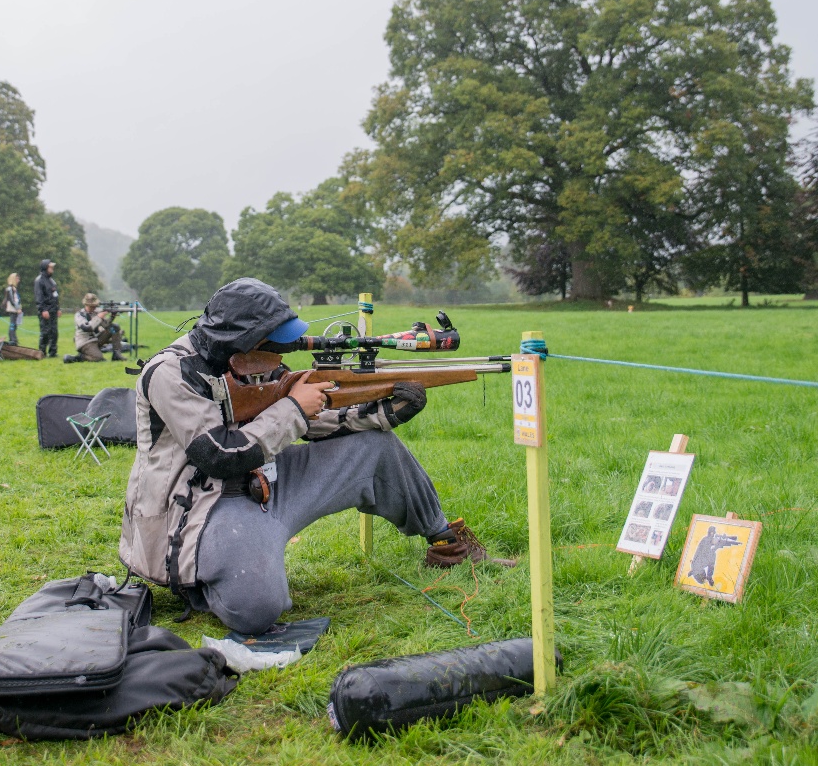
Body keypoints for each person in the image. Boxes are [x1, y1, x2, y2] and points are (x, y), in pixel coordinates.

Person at [119, 278, 512, 635]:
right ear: (244, 342)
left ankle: (446, 543)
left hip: (267, 482)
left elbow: (314, 418)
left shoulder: (257, 365)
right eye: (275, 343)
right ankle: (201, 581)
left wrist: (383, 413)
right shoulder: (171, 373)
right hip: (198, 509)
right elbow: (219, 454)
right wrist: (292, 406)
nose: (285, 351)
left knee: (375, 445)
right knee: (259, 611)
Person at [64, 293, 127, 363]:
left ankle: (116, 354)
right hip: (84, 342)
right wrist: (99, 317)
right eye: (91, 306)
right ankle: (78, 357)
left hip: (96, 338)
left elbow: (106, 325)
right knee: (98, 358)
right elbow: (87, 327)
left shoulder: (96, 312)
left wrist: (112, 316)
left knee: (114, 327)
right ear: (86, 305)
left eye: (94, 306)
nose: (94, 308)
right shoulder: (79, 315)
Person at [34, 259, 60, 358]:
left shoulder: (52, 281)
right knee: (45, 332)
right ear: (45, 267)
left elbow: (55, 295)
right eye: (50, 267)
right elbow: (39, 296)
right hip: (45, 311)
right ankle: (42, 351)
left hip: (53, 310)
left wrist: (58, 308)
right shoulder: (39, 280)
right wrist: (43, 310)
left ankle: (53, 352)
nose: (52, 268)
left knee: (54, 332)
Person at [1, 273, 24, 345]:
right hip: (12, 309)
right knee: (12, 324)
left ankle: (13, 339)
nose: (18, 280)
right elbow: (11, 300)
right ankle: (12, 339)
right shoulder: (10, 288)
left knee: (14, 324)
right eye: (17, 278)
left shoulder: (14, 288)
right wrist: (17, 308)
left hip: (16, 308)